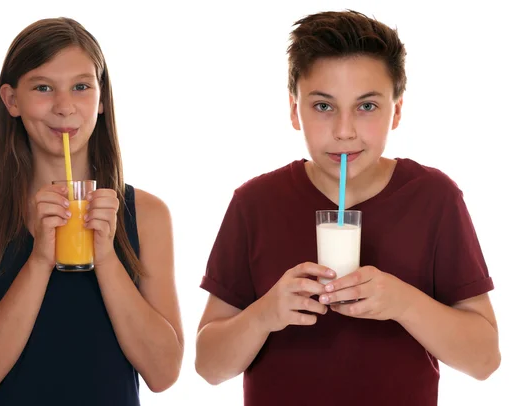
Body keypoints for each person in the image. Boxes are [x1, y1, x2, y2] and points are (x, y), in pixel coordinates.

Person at [195, 10, 500, 406]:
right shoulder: (254, 203)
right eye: (323, 107)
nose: (344, 131)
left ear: (398, 110)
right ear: (294, 110)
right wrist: (265, 314)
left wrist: (403, 302)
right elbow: (209, 366)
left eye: (366, 107)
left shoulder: (435, 198)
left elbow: (485, 360)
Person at [0, 17, 183, 405]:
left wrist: (106, 255)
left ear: (101, 98)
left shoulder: (147, 213)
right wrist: (40, 258)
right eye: (43, 88)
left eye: (80, 87)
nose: (64, 107)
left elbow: (163, 374)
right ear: (11, 100)